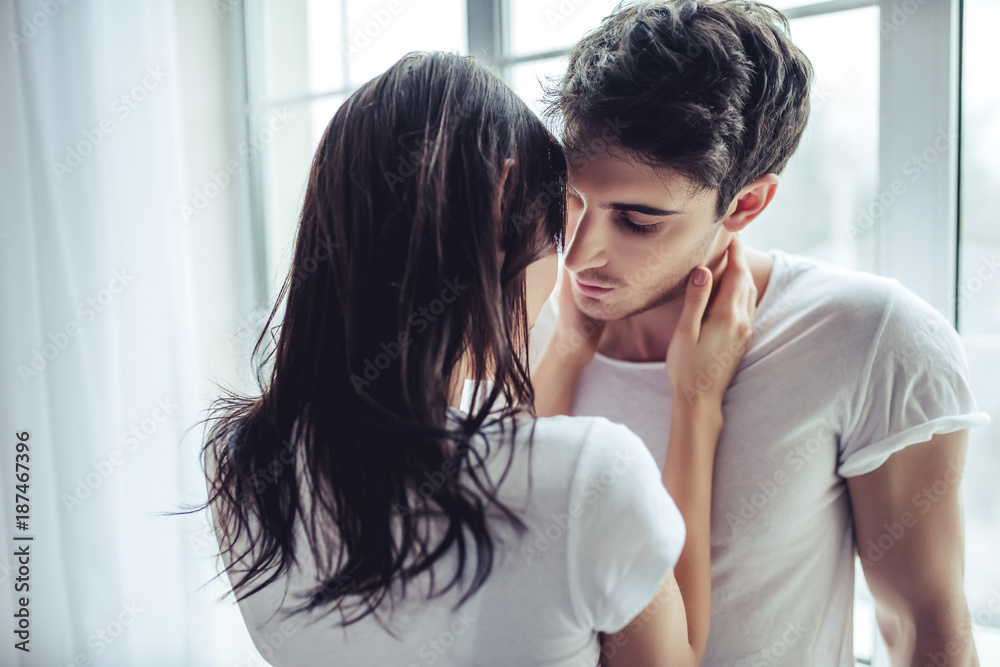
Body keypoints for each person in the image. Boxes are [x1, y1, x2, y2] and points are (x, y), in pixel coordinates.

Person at [199, 51, 756, 666]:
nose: (571, 268)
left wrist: (567, 350)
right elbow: (681, 655)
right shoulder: (592, 475)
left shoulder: (236, 462)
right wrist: (696, 399)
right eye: (557, 235)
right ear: (499, 210)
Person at [530, 2, 991, 665]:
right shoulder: (526, 316)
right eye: (569, 201)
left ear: (746, 203)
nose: (577, 255)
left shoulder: (869, 340)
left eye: (636, 220)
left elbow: (925, 631)